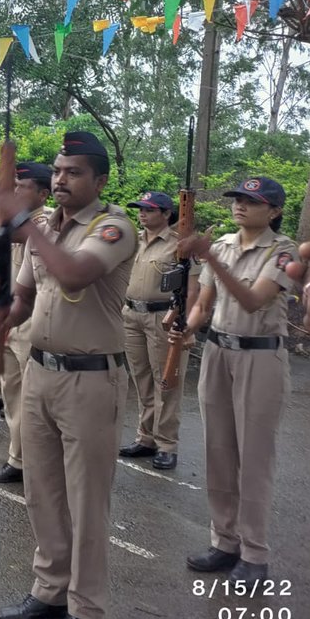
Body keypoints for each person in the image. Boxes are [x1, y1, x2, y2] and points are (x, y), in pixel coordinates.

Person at [0, 131, 136, 619]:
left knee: (86, 500)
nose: (61, 179)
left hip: (91, 379)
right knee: (42, 490)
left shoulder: (114, 227)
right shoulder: (47, 227)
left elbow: (73, 271)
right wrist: (3, 319)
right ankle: (49, 590)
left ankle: (85, 610)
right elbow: (28, 294)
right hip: (40, 372)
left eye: (72, 172)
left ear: (99, 179)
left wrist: (22, 221)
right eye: (58, 170)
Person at [175, 177, 296, 585]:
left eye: (252, 201)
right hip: (217, 351)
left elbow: (252, 300)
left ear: (274, 211)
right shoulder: (224, 244)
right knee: (219, 451)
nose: (240, 206)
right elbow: (205, 303)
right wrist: (185, 327)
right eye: (238, 199)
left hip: (260, 357)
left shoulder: (283, 251)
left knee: (254, 458)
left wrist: (210, 258)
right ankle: (224, 541)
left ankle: (255, 554)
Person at [0, 162, 53, 484]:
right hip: (10, 316)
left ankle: (39, 462)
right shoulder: (9, 222)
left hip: (34, 319)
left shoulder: (48, 224)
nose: (15, 191)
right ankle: (19, 459)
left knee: (34, 399)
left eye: (22, 186)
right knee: (13, 393)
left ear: (42, 192)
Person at [119, 191, 196, 471]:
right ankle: (146, 438)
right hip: (132, 315)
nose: (142, 213)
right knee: (141, 379)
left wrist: (187, 324)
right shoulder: (133, 242)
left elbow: (194, 289)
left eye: (149, 209)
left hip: (163, 316)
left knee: (166, 382)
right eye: (139, 208)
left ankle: (167, 445)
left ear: (166, 214)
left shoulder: (179, 245)